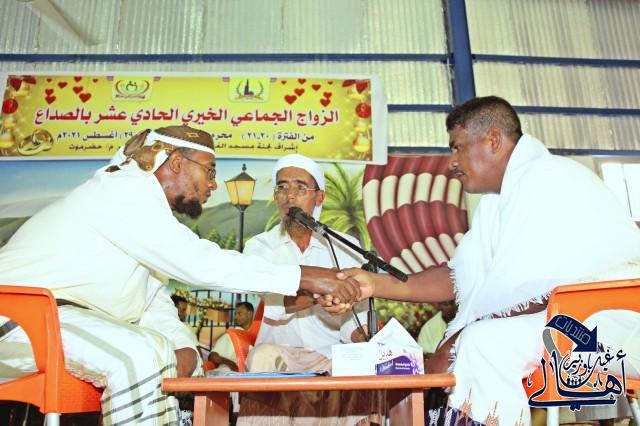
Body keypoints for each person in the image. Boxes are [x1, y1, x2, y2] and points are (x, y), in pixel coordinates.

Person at [0, 125, 360, 426]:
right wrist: (306, 278)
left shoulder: (145, 219)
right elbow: (201, 262)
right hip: (17, 317)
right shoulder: (123, 191)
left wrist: (185, 348)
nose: (214, 185)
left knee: (163, 354)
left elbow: (154, 303)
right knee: (138, 354)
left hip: (57, 322)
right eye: (210, 171)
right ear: (176, 163)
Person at [337, 96, 640, 425]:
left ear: (493, 140)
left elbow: (532, 289)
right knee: (472, 345)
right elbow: (458, 277)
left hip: (614, 320)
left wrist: (456, 342)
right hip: (573, 319)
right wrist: (373, 285)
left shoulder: (546, 177)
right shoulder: (497, 202)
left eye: (458, 148)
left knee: (482, 344)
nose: (452, 162)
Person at [237, 154, 380, 425]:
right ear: (276, 196)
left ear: (319, 197)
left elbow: (353, 319)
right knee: (262, 356)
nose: (290, 195)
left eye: (301, 188)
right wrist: (324, 288)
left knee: (363, 364)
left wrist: (366, 338)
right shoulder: (260, 247)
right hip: (280, 354)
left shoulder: (344, 247)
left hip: (330, 355)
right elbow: (276, 304)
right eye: (282, 187)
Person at [208, 301, 254, 371]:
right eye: (235, 314)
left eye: (239, 313)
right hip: (228, 373)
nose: (235, 317)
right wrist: (230, 363)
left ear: (249, 314)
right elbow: (212, 356)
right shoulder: (232, 335)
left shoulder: (258, 334)